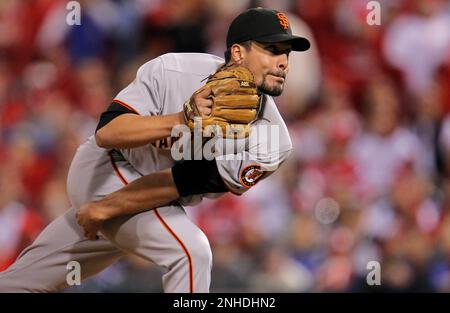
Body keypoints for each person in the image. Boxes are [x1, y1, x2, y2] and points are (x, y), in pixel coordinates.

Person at [0, 7, 310, 293]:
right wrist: (181, 119)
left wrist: (106, 209)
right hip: (106, 168)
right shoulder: (175, 70)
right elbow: (108, 134)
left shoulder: (273, 141)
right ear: (239, 53)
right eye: (272, 50)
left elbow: (184, 181)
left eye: (287, 53)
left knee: (25, 281)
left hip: (149, 201)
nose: (283, 61)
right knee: (191, 253)